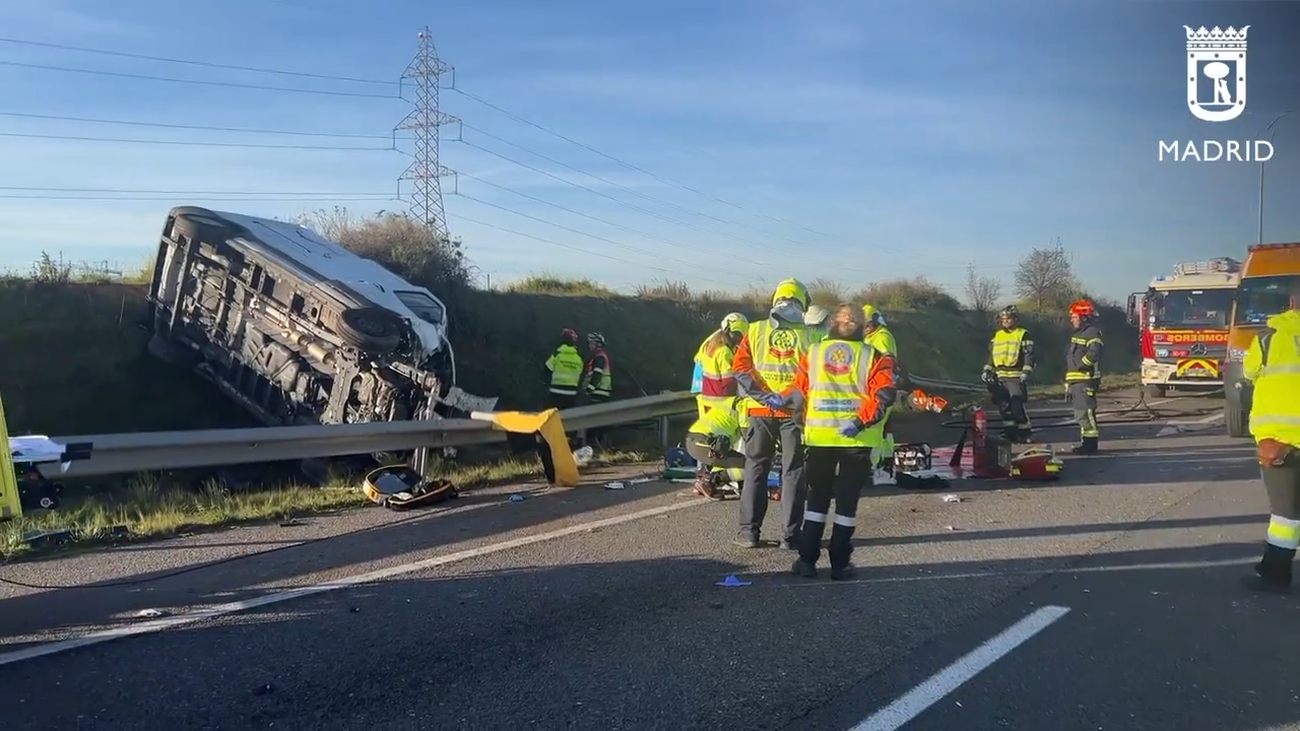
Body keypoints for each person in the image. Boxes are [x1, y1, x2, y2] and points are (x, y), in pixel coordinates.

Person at [784, 304, 899, 580]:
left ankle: (807, 560)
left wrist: (801, 422)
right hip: (856, 440)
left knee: (817, 499)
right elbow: (884, 396)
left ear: (832, 323)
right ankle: (839, 563)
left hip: (820, 438)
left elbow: (798, 396)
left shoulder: (812, 354)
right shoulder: (874, 356)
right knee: (847, 503)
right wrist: (860, 422)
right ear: (862, 326)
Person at [732, 278, 815, 549]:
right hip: (794, 412)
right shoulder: (811, 334)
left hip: (760, 409)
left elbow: (741, 369)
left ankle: (749, 533)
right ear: (803, 302)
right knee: (792, 472)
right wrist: (790, 398)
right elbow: (814, 376)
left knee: (756, 468)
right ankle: (790, 537)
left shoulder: (755, 330)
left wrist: (763, 395)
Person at [1241, 278, 1300, 593]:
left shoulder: (1266, 341)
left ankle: (1276, 575)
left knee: (1286, 516)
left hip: (1280, 444)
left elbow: (1248, 373)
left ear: (1291, 303)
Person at [981, 305, 1036, 443]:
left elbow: (1029, 355)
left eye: (1008, 318)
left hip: (1016, 376)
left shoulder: (1023, 334)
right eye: (1003, 319)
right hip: (1000, 376)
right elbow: (992, 356)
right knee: (1004, 407)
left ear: (1015, 319)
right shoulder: (997, 335)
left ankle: (1025, 433)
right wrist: (987, 369)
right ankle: (1010, 433)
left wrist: (1026, 372)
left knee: (1017, 406)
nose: (1005, 321)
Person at [683, 396, 746, 499]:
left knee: (731, 459)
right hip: (705, 444)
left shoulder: (732, 402)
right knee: (752, 465)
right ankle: (710, 480)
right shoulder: (745, 407)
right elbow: (748, 437)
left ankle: (706, 475)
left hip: (694, 441)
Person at [691, 312, 749, 419]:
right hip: (719, 401)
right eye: (738, 335)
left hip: (704, 395)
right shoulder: (725, 352)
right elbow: (728, 383)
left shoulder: (710, 344)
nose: (739, 340)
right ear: (728, 331)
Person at [1065, 299, 1104, 455]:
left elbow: (1094, 353)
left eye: (1074, 317)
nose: (1072, 320)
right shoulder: (1079, 334)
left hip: (1085, 379)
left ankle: (1090, 444)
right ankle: (1085, 442)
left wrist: (1082, 365)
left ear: (1084, 317)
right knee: (1080, 413)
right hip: (1077, 380)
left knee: (1086, 412)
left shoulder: (1092, 333)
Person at [580, 332, 613, 446]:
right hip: (601, 391)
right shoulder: (600, 356)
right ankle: (594, 442)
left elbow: (597, 375)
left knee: (593, 420)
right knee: (596, 420)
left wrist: (589, 389)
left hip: (598, 392)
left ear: (597, 344)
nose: (589, 345)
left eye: (591, 343)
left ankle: (592, 443)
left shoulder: (599, 357)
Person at [543, 328, 585, 411]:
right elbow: (582, 376)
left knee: (552, 418)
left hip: (555, 392)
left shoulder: (557, 355)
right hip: (571, 394)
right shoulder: (578, 359)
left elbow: (547, 370)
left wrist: (546, 384)